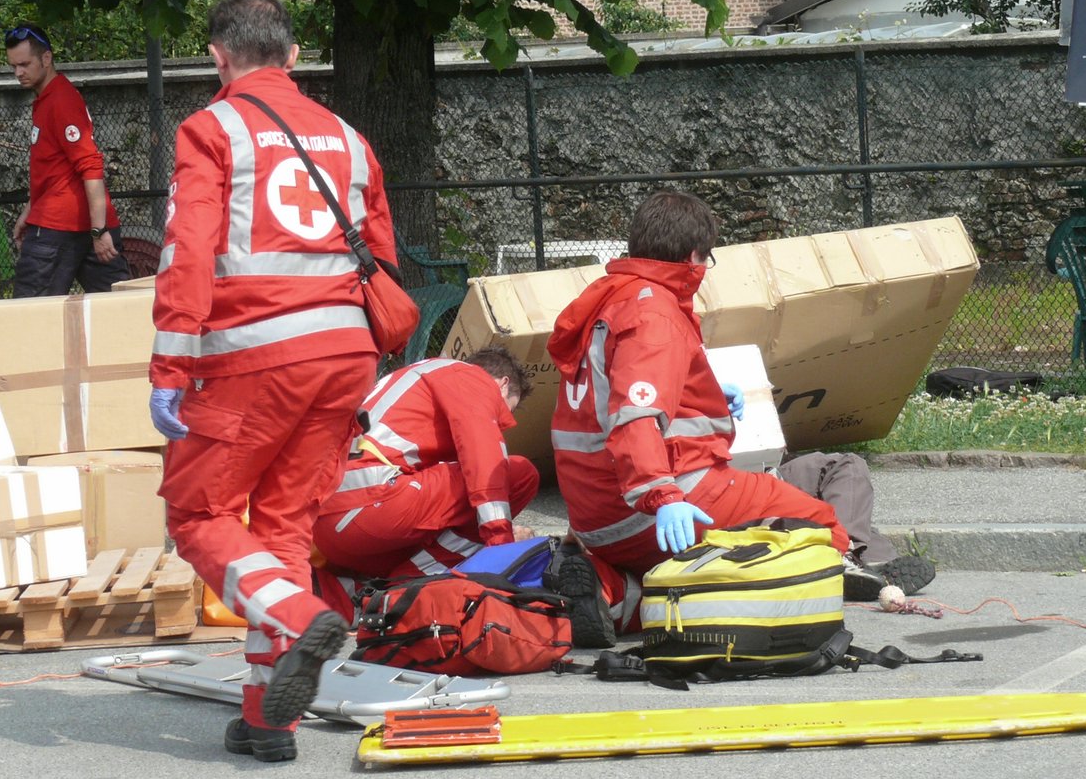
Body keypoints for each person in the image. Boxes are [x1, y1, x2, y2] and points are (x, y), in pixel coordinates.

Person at [148, 0, 398, 763]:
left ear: (217, 59)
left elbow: (188, 250)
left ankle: (296, 616)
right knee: (283, 526)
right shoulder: (351, 139)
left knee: (197, 514)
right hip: (345, 352)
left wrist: (171, 364)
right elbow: (385, 252)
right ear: (293, 56)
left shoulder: (210, 128)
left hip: (258, 353)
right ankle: (268, 721)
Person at [546, 189, 849, 647]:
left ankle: (612, 591)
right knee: (823, 531)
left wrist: (703, 396)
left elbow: (612, 400)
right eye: (707, 260)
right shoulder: (655, 314)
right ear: (693, 257)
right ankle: (690, 605)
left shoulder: (611, 300)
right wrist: (662, 495)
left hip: (594, 515)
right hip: (658, 499)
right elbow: (635, 417)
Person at [310, 350, 540, 617]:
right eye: (503, 411)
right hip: (370, 504)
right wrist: (501, 547)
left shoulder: (418, 378)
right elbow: (485, 460)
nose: (498, 424)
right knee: (519, 474)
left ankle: (347, 594)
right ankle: (400, 593)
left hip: (329, 525)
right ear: (501, 383)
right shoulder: (471, 378)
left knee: (443, 522)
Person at [3, 23, 132, 296]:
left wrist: (98, 232)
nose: (18, 73)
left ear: (46, 59)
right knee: (118, 311)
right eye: (13, 66)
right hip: (72, 224)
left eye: (24, 64)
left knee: (27, 318)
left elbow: (91, 166)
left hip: (57, 229)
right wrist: (30, 210)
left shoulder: (60, 100)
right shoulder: (49, 99)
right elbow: (55, 171)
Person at [776, 451, 935, 599]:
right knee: (846, 464)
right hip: (761, 482)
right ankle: (844, 556)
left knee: (866, 536)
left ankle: (852, 564)